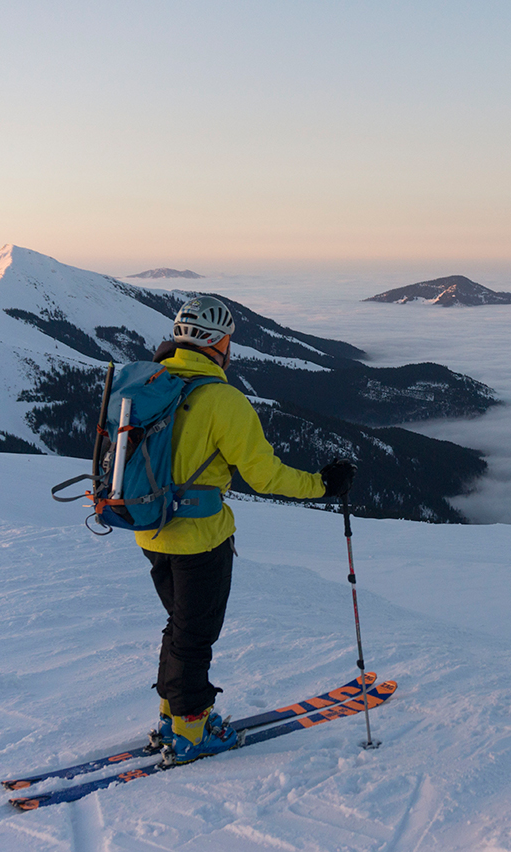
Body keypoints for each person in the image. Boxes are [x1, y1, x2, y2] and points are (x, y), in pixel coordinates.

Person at [141, 295, 355, 764]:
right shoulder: (221, 399)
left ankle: (171, 717)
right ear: (218, 344)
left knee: (181, 626)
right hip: (201, 538)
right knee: (196, 635)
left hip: (150, 528)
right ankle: (191, 731)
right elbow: (265, 476)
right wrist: (321, 485)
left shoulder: (152, 382)